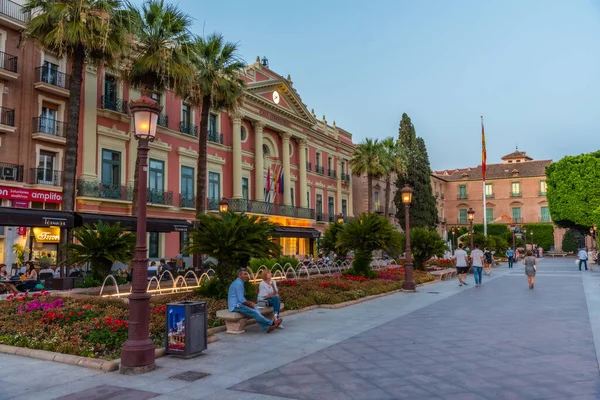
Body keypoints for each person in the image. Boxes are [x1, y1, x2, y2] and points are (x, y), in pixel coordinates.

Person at [228, 268, 281, 333]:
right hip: (236, 306)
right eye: (245, 274)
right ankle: (272, 323)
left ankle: (267, 328)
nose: (247, 275)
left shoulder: (239, 282)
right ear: (239, 275)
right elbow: (241, 300)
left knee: (255, 309)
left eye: (247, 274)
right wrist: (250, 304)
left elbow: (241, 299)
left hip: (239, 304)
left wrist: (250, 303)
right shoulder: (238, 283)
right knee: (254, 312)